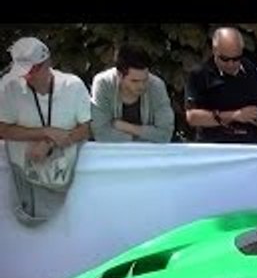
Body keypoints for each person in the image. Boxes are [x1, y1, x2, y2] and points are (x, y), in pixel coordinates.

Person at [0, 36, 91, 223]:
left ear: (47, 63)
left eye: (32, 70)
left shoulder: (73, 85)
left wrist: (49, 143)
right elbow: (3, 129)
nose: (27, 77)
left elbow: (85, 129)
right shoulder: (9, 86)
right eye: (23, 71)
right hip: (22, 172)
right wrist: (45, 132)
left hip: (62, 174)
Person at [185, 27, 257, 144]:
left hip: (250, 142)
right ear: (214, 51)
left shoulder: (250, 70)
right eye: (225, 59)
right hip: (216, 144)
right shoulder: (200, 74)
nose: (231, 64)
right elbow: (192, 117)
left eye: (236, 58)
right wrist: (234, 116)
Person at [90, 43, 174, 142]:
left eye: (145, 79)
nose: (141, 86)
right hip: (113, 150)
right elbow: (101, 133)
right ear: (119, 75)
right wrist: (143, 137)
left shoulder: (157, 86)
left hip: (148, 151)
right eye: (135, 81)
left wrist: (126, 127)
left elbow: (165, 134)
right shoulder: (103, 83)